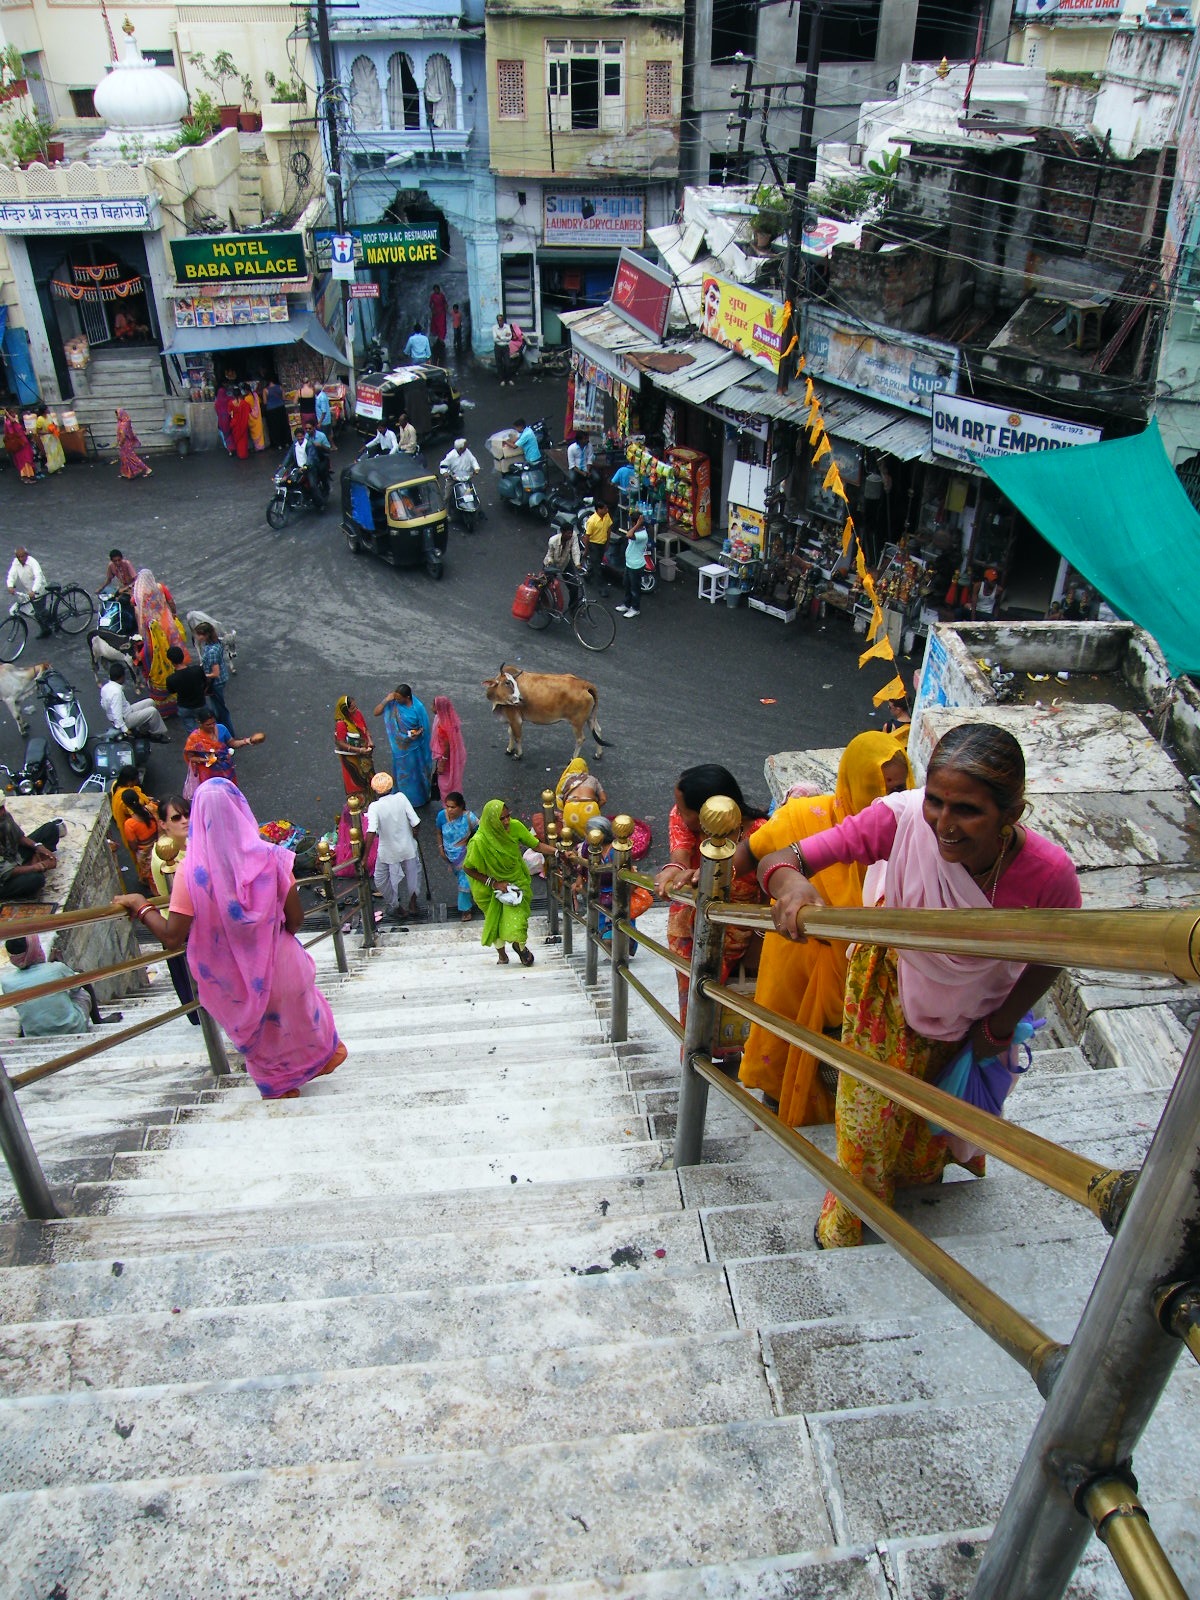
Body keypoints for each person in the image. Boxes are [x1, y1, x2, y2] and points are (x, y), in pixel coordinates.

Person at [759, 722, 1082, 1250]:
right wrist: (793, 886)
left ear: (1013, 814)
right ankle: (851, 1214)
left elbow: (1058, 952)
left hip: (975, 1011)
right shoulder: (903, 819)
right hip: (886, 991)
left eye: (967, 810)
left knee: (927, 1114)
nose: (943, 825)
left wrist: (1002, 1025)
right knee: (865, 1122)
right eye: (936, 801)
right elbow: (784, 858)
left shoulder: (1049, 875)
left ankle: (912, 1187)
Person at [115, 780, 346, 1100]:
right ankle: (321, 1057)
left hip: (237, 978)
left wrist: (140, 906)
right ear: (241, 810)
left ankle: (281, 1088)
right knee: (299, 1015)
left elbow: (171, 937)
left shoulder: (190, 872)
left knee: (265, 1039)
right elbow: (295, 920)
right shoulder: (273, 857)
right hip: (283, 962)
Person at [730, 733, 912, 1126]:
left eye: (898, 787)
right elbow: (753, 854)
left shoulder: (911, 829)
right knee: (786, 1050)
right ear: (852, 783)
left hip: (868, 973)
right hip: (799, 963)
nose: (887, 798)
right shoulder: (804, 818)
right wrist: (704, 875)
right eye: (878, 787)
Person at [654, 765, 768, 1033]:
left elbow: (768, 894)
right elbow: (680, 857)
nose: (678, 814)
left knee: (730, 1005)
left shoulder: (762, 834)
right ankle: (696, 1059)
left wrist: (757, 946)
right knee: (693, 1000)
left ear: (709, 810)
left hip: (739, 930)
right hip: (688, 927)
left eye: (685, 810)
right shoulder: (681, 816)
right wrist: (676, 869)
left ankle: (717, 1056)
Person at [463, 799, 553, 965]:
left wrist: (557, 852)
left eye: (507, 816)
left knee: (517, 920)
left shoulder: (515, 826)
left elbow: (537, 846)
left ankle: (520, 946)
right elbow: (468, 868)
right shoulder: (479, 842)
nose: (506, 822)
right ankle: (502, 955)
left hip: (516, 882)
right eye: (502, 819)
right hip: (489, 888)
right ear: (491, 821)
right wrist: (495, 884)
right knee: (495, 922)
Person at [1, 935, 121, 1035]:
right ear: (34, 949)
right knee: (81, 978)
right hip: (72, 1028)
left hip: (36, 1034)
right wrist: (61, 964)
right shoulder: (57, 968)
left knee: (30, 1005)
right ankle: (98, 1021)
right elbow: (75, 988)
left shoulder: (7, 981)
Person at [149, 793, 201, 1026]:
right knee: (191, 985)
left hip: (195, 923)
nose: (184, 821)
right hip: (181, 927)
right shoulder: (166, 858)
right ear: (163, 824)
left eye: (187, 815)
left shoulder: (189, 844)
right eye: (176, 817)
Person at [365, 771, 422, 922]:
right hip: (408, 846)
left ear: (375, 790)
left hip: (388, 852)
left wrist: (364, 857)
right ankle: (413, 904)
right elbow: (416, 822)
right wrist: (414, 834)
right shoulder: (401, 798)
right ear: (392, 786)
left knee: (381, 879)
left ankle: (396, 906)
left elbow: (371, 831)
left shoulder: (374, 807)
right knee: (413, 875)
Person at [132, 568, 188, 712]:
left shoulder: (139, 594)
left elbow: (135, 606)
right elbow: (171, 602)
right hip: (166, 624)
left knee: (156, 657)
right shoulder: (160, 588)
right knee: (174, 651)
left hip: (152, 630)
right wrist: (173, 613)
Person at [374, 684, 432, 807]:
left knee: (415, 774)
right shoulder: (393, 704)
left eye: (399, 698)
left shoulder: (418, 708)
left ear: (407, 697)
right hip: (400, 749)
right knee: (402, 775)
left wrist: (418, 733)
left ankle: (417, 800)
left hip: (414, 748)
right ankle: (403, 800)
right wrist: (386, 700)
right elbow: (376, 712)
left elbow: (424, 727)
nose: (397, 700)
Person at [184, 709, 263, 792]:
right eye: (208, 724)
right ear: (200, 723)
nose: (212, 726)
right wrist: (205, 760)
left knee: (229, 792)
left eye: (213, 723)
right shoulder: (194, 738)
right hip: (208, 775)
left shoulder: (222, 728)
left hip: (226, 769)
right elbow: (190, 757)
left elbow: (232, 743)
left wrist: (247, 741)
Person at [0, 803, 62, 901]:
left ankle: (33, 860)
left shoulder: (4, 817)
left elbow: (19, 837)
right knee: (36, 880)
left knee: (51, 828)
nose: (3, 811)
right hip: (4, 878)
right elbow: (5, 871)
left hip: (14, 857)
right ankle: (29, 868)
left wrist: (38, 847)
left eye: (2, 807)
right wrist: (37, 867)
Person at [436, 791, 479, 921]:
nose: (449, 810)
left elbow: (480, 833)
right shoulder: (441, 816)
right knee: (466, 878)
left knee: (464, 880)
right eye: (447, 806)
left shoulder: (469, 818)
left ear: (461, 807)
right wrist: (441, 849)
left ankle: (465, 909)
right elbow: (439, 833)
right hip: (451, 857)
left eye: (453, 807)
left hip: (466, 856)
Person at [101, 664, 170, 741]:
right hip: (125, 719)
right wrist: (125, 729)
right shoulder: (116, 693)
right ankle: (157, 734)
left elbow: (103, 705)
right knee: (152, 712)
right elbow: (117, 714)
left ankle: (143, 730)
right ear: (121, 677)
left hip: (126, 711)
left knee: (150, 702)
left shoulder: (105, 687)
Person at [115, 781, 159, 888]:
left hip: (144, 853)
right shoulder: (151, 808)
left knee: (151, 875)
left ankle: (158, 894)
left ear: (126, 805)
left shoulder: (129, 824)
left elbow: (133, 846)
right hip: (157, 844)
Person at [194, 621, 234, 734]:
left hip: (216, 682)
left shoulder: (211, 651)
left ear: (206, 635)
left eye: (199, 634)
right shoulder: (214, 644)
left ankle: (227, 733)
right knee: (219, 707)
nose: (197, 637)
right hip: (221, 679)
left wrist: (202, 675)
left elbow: (215, 673)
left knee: (220, 710)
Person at [334, 694, 375, 798]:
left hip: (364, 754)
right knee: (357, 782)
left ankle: (371, 800)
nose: (356, 709)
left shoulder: (358, 714)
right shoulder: (341, 724)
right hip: (352, 759)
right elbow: (341, 743)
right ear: (345, 710)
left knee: (369, 778)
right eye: (353, 708)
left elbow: (365, 729)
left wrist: (369, 741)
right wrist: (359, 750)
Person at [556, 757, 606, 839]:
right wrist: (595, 806)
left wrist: (564, 811)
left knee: (568, 838)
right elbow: (603, 799)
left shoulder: (565, 780)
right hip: (590, 807)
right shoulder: (592, 779)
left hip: (570, 807)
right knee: (594, 838)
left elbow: (559, 800)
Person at [163, 645, 208, 736]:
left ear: (171, 661)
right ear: (183, 656)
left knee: (192, 732)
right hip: (200, 703)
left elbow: (171, 691)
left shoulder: (171, 679)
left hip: (185, 707)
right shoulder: (197, 670)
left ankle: (198, 746)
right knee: (207, 726)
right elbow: (205, 682)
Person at [430, 694, 466, 805]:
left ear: (438, 708)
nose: (431, 707)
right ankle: (457, 803)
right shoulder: (450, 719)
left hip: (446, 759)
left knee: (444, 783)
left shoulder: (442, 725)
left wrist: (442, 763)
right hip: (455, 757)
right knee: (454, 780)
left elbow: (447, 745)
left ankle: (448, 806)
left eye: (433, 705)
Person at [7, 546, 51, 636]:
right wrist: (10, 585)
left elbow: (38, 577)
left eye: (22, 556)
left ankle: (49, 623)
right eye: (18, 557)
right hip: (28, 591)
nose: (20, 558)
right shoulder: (16, 562)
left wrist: (34, 590)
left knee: (39, 611)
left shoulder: (33, 562)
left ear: (26, 555)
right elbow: (12, 574)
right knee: (34, 610)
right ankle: (45, 627)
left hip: (39, 590)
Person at [619, 510, 648, 619]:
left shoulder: (642, 535)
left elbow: (628, 535)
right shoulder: (637, 531)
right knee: (627, 585)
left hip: (636, 565)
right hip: (629, 563)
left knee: (635, 589)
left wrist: (637, 525)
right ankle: (627, 604)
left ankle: (635, 608)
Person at [115, 408, 152, 479]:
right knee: (124, 458)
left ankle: (147, 469)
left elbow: (123, 435)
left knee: (132, 458)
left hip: (125, 444)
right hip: (126, 443)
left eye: (117, 415)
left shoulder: (123, 424)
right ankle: (126, 472)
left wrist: (120, 443)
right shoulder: (125, 422)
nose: (116, 416)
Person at [584, 502, 612, 585]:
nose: (607, 510)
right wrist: (586, 549)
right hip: (594, 545)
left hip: (602, 544)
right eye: (605, 508)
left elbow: (609, 529)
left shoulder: (607, 516)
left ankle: (588, 575)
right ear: (599, 509)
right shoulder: (592, 521)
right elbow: (587, 536)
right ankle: (601, 587)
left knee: (597, 563)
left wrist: (607, 542)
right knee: (597, 567)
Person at [4, 412, 36, 483]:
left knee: (27, 459)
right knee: (24, 460)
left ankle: (28, 475)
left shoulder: (15, 422)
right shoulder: (9, 423)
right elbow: (12, 432)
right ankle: (26, 476)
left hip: (24, 443)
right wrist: (7, 414)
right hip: (20, 444)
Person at [33, 406, 65, 475]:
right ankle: (53, 468)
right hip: (46, 438)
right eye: (47, 409)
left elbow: (53, 424)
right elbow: (38, 431)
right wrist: (48, 432)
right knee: (50, 453)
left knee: (57, 451)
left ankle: (59, 466)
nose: (48, 410)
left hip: (53, 437)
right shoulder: (40, 419)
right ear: (44, 411)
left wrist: (54, 427)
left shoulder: (49, 416)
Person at [263, 378, 289, 450]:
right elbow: (284, 398)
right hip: (281, 408)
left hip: (271, 410)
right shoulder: (280, 387)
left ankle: (278, 444)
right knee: (283, 424)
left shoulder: (265, 390)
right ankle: (286, 442)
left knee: (275, 427)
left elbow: (265, 402)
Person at [228, 387, 251, 460]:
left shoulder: (230, 403)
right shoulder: (244, 403)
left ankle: (240, 454)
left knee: (237, 440)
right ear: (240, 394)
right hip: (243, 423)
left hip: (235, 423)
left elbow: (230, 413)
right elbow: (249, 411)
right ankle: (244, 454)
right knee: (243, 439)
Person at [429, 283, 448, 365]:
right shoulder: (432, 296)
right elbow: (430, 304)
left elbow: (445, 302)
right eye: (435, 289)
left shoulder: (442, 295)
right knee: (436, 326)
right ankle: (438, 338)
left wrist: (446, 309)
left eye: (437, 289)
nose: (436, 291)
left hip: (441, 312)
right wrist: (432, 310)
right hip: (436, 313)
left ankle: (441, 338)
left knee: (442, 326)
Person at [493, 312, 514, 385]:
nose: (500, 321)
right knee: (499, 364)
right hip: (498, 347)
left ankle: (509, 379)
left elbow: (510, 338)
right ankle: (502, 380)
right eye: (499, 320)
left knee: (507, 363)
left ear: (503, 320)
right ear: (497, 321)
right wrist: (505, 336)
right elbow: (495, 339)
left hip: (505, 347)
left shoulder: (507, 327)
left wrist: (500, 337)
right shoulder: (494, 328)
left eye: (501, 320)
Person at [246, 382, 266, 452]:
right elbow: (260, 402)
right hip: (258, 417)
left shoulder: (247, 398)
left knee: (254, 433)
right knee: (259, 431)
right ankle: (261, 446)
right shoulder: (255, 395)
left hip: (251, 417)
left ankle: (257, 447)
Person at [214, 386, 233, 454]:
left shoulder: (216, 403)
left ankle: (229, 450)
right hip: (229, 420)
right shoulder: (228, 399)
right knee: (230, 435)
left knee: (225, 436)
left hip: (221, 422)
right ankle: (233, 447)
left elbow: (217, 412)